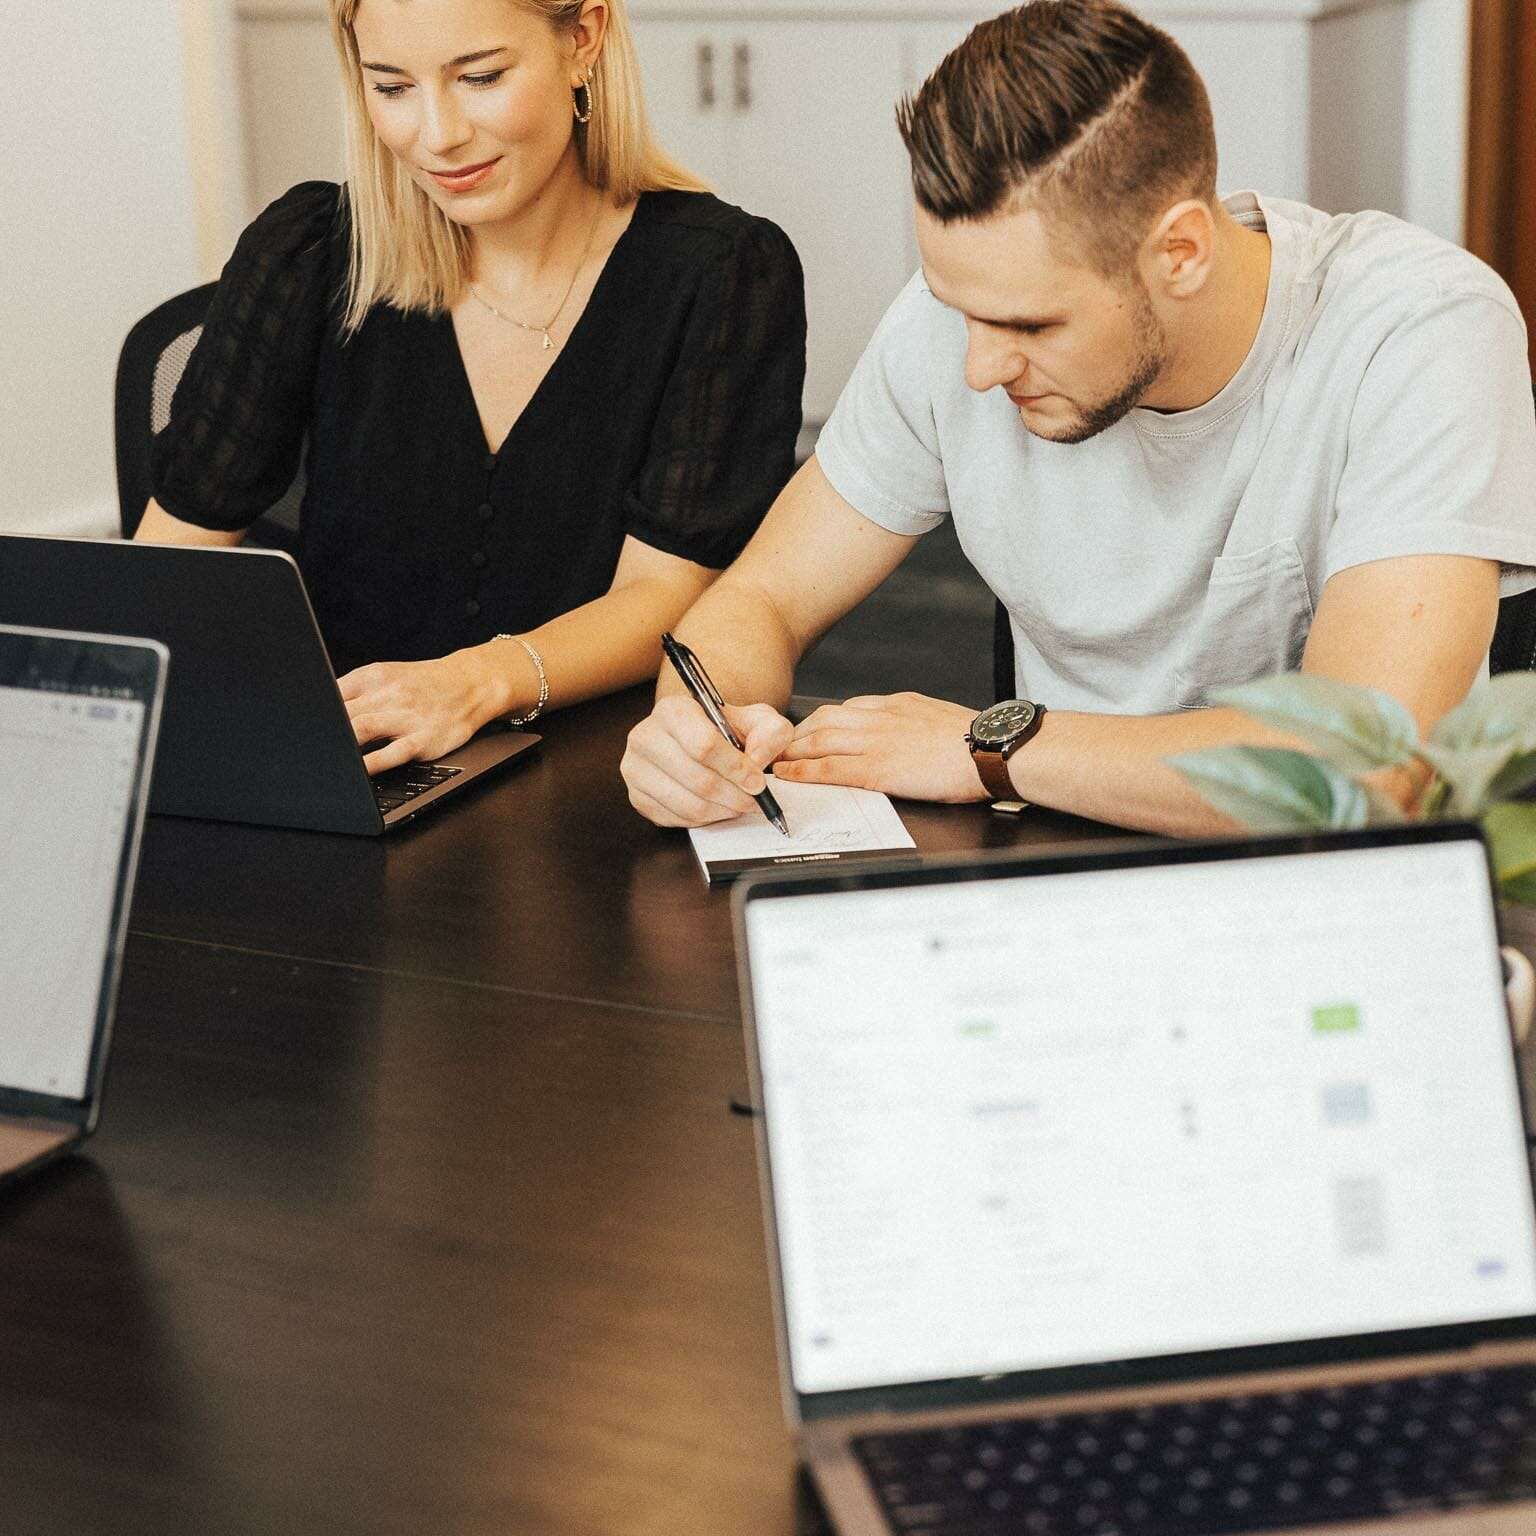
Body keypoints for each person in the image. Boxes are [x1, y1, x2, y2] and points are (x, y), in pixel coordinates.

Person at [621, 0, 1536, 838]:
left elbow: (1367, 772)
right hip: (1051, 859)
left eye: (1030, 324)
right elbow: (761, 601)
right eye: (959, 309)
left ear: (1179, 251)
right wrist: (690, 731)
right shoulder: (969, 310)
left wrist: (994, 746)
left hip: (1335, 905)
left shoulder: (1420, 329)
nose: (979, 367)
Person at [139, 0, 805, 775]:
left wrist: (477, 683)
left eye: (480, 77)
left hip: (598, 769)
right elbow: (172, 559)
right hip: (360, 767)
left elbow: (664, 592)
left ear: (582, 39)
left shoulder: (721, 274)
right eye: (391, 88)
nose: (438, 134)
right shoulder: (311, 253)